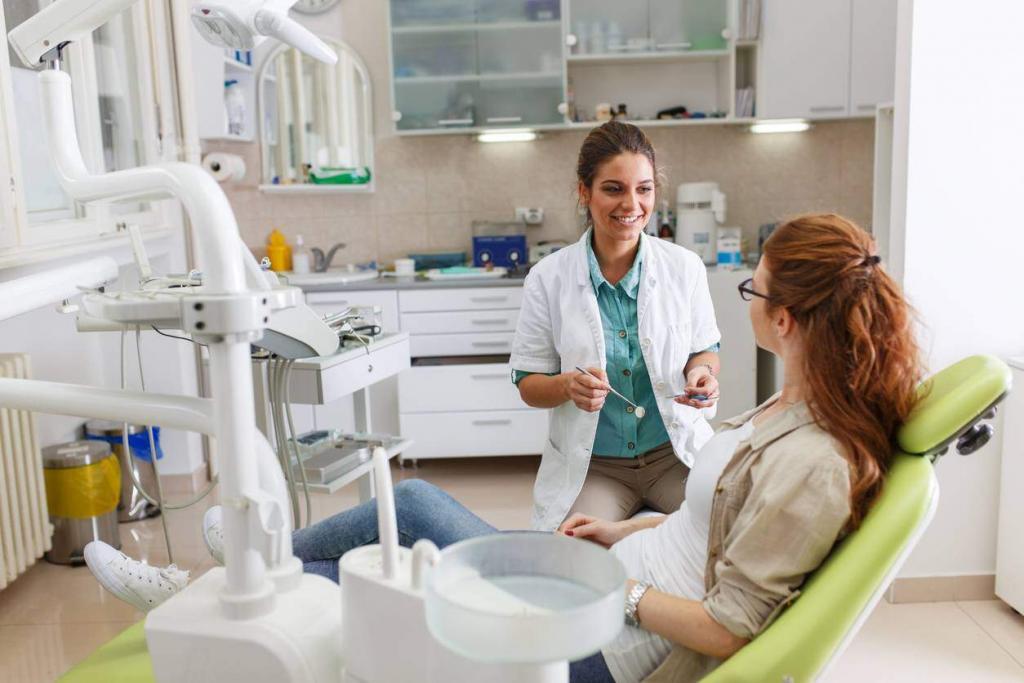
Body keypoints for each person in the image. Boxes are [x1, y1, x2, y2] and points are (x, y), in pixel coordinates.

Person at [85, 212, 922, 682]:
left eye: (755, 289)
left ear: (785, 318)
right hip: (605, 583)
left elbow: (732, 631)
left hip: (598, 644)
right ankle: (231, 582)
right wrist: (622, 538)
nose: (745, 300)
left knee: (392, 560)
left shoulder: (815, 461)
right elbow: (704, 531)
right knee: (408, 509)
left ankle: (216, 596)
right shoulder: (795, 407)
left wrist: (621, 594)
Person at [511, 121, 723, 531]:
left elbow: (705, 350)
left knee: (721, 538)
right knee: (574, 560)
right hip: (596, 466)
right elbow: (528, 384)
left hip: (672, 456)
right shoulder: (548, 278)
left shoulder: (684, 268)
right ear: (584, 192)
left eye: (643, 189)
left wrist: (702, 373)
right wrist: (566, 386)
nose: (632, 204)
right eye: (614, 189)